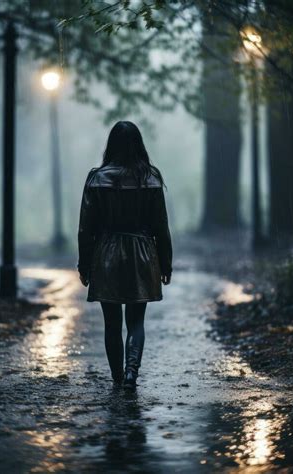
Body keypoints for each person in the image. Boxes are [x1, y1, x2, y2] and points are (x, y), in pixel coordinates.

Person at [77, 121, 173, 391]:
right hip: (142, 252)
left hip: (106, 252)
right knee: (136, 321)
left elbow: (86, 228)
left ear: (112, 145)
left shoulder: (97, 179)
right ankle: (132, 373)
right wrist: (166, 262)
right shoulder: (151, 178)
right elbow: (161, 226)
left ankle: (117, 377)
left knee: (111, 322)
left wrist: (84, 264)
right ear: (139, 144)